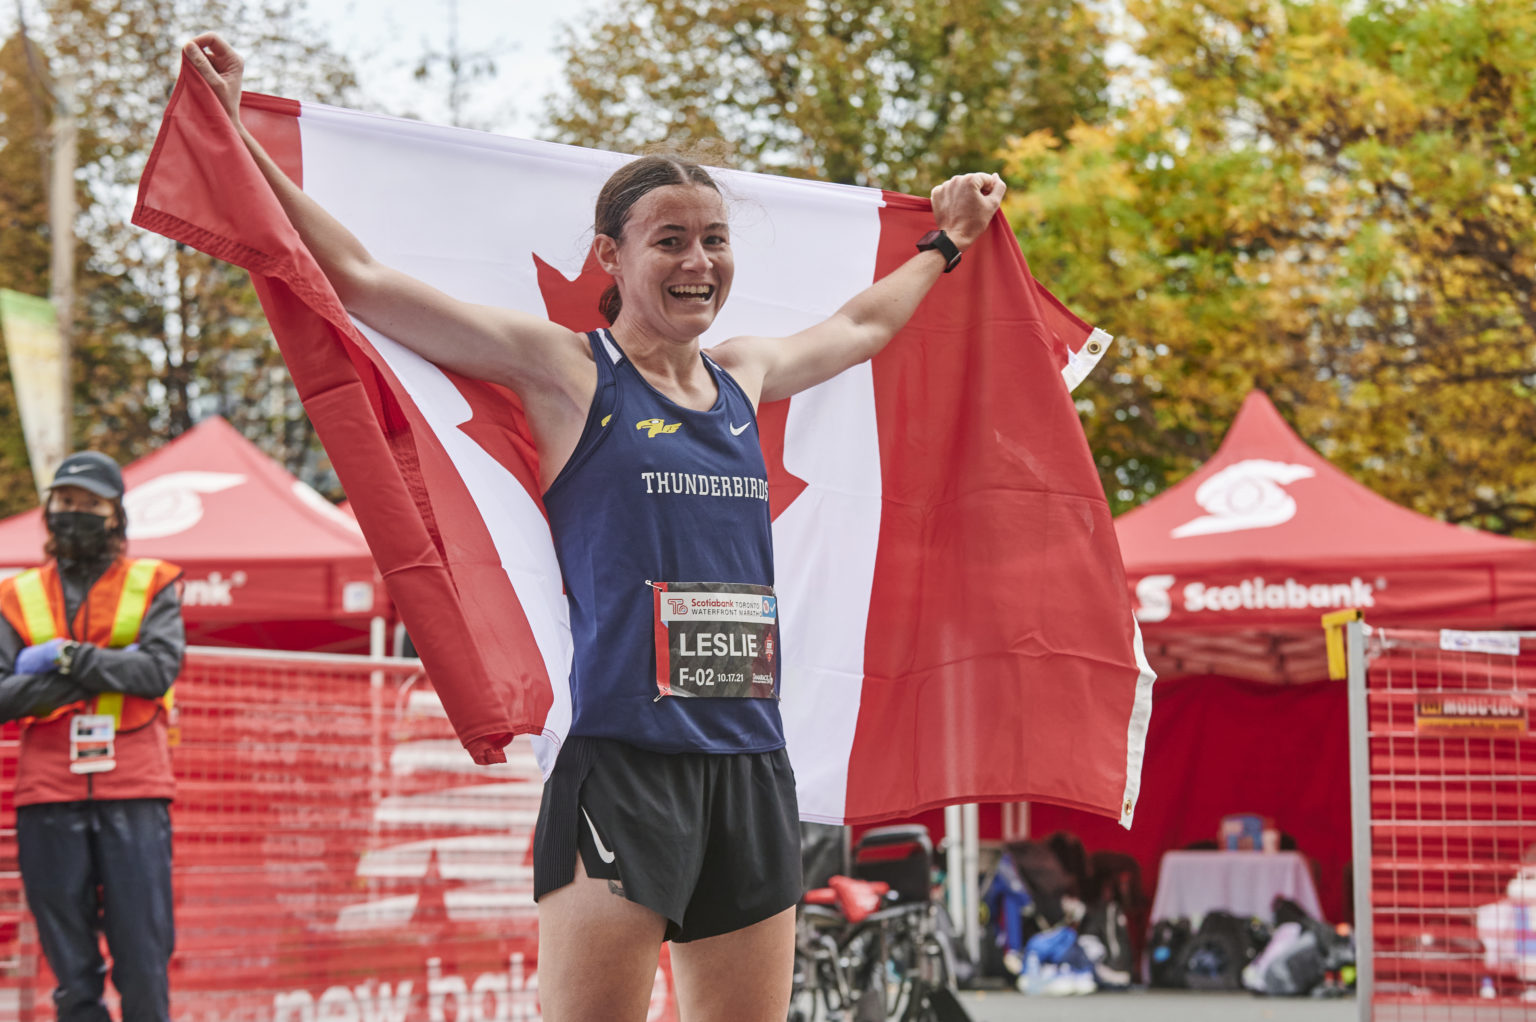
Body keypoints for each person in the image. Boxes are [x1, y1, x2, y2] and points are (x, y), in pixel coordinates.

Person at [183, 32, 1004, 1021]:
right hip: (623, 765)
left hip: (749, 765)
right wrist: (233, 134)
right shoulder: (569, 373)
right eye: (670, 240)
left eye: (714, 239)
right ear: (612, 256)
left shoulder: (743, 374)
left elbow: (863, 327)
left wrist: (947, 243)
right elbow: (359, 277)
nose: (698, 260)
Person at [0, 451, 186, 1022]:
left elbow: (157, 671)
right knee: (71, 973)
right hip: (47, 794)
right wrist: (103, 667)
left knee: (143, 962)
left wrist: (65, 659)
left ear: (115, 516)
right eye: (64, 502)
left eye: (88, 504)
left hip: (133, 788)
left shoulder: (151, 582)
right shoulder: (14, 596)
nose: (73, 513)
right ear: (49, 509)